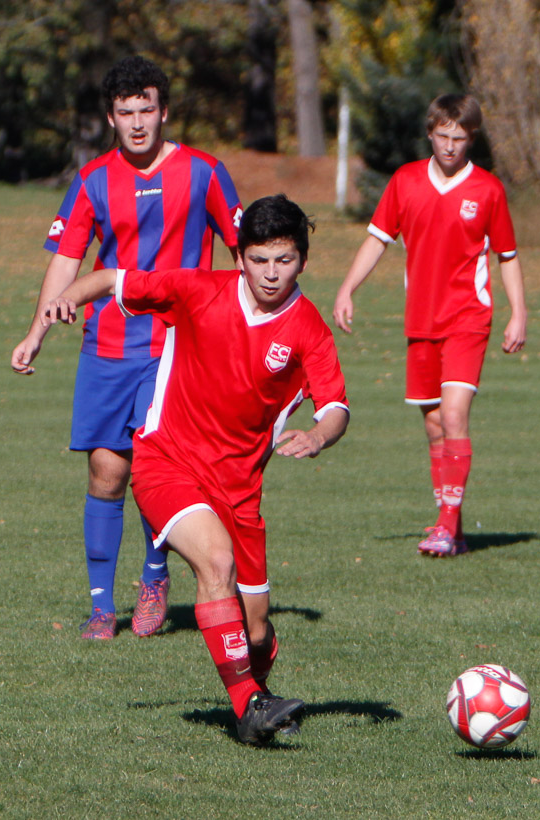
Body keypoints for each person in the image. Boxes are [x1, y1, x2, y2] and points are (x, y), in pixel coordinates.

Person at [42, 194, 349, 744]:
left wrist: (318, 436)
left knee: (257, 631)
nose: (271, 273)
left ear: (302, 261)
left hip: (240, 488)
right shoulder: (198, 289)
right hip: (168, 461)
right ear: (240, 257)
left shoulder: (308, 328)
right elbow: (113, 279)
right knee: (215, 562)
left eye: (283, 260)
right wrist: (66, 297)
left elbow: (336, 408)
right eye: (259, 260)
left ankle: (256, 694)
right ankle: (248, 706)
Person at [10, 56, 243, 640]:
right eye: (125, 112)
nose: (137, 123)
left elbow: (246, 255)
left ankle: (154, 576)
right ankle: (99, 607)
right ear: (110, 117)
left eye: (146, 110)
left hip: (178, 349)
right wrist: (37, 331)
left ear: (164, 112)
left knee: (156, 471)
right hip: (108, 345)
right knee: (106, 471)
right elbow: (66, 261)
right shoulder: (93, 180)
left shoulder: (206, 173)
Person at [333, 93, 526, 557]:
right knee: (435, 425)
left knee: (455, 414)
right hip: (420, 320)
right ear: (430, 134)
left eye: (459, 138)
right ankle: (452, 529)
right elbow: (377, 240)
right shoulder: (405, 182)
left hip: (468, 318)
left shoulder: (487, 190)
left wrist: (518, 313)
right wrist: (347, 289)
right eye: (442, 136)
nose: (450, 146)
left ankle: (444, 525)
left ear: (471, 139)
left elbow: (507, 256)